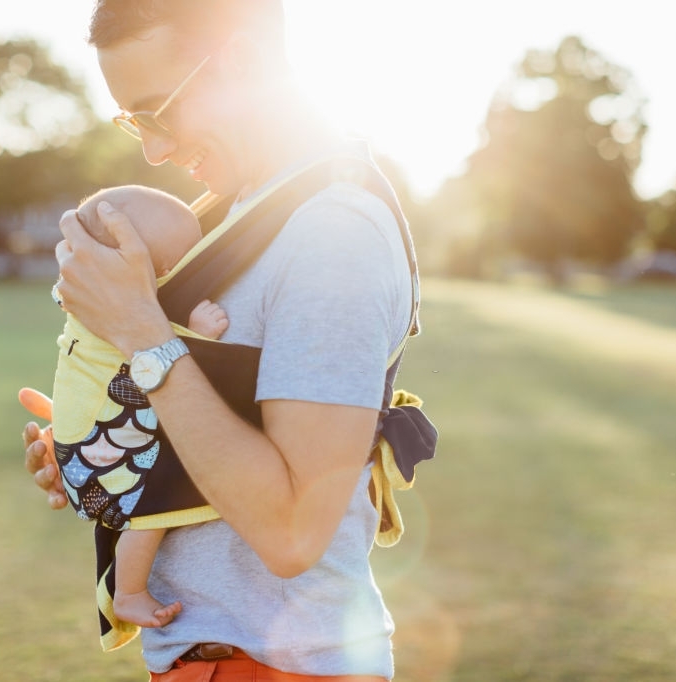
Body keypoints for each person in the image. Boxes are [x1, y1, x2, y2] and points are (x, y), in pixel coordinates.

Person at [22, 2, 426, 679]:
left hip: (283, 665)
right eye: (133, 122)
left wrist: (142, 335)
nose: (153, 150)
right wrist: (103, 441)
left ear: (241, 62)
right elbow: (202, 419)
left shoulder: (334, 233)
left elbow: (292, 531)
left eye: (158, 111)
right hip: (205, 658)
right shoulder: (237, 215)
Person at [41, 184, 228, 631]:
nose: (185, 270)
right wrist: (197, 332)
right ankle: (128, 592)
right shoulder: (108, 304)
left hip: (85, 434)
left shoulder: (82, 293)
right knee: (153, 507)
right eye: (177, 262)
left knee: (154, 498)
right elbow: (156, 350)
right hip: (98, 441)